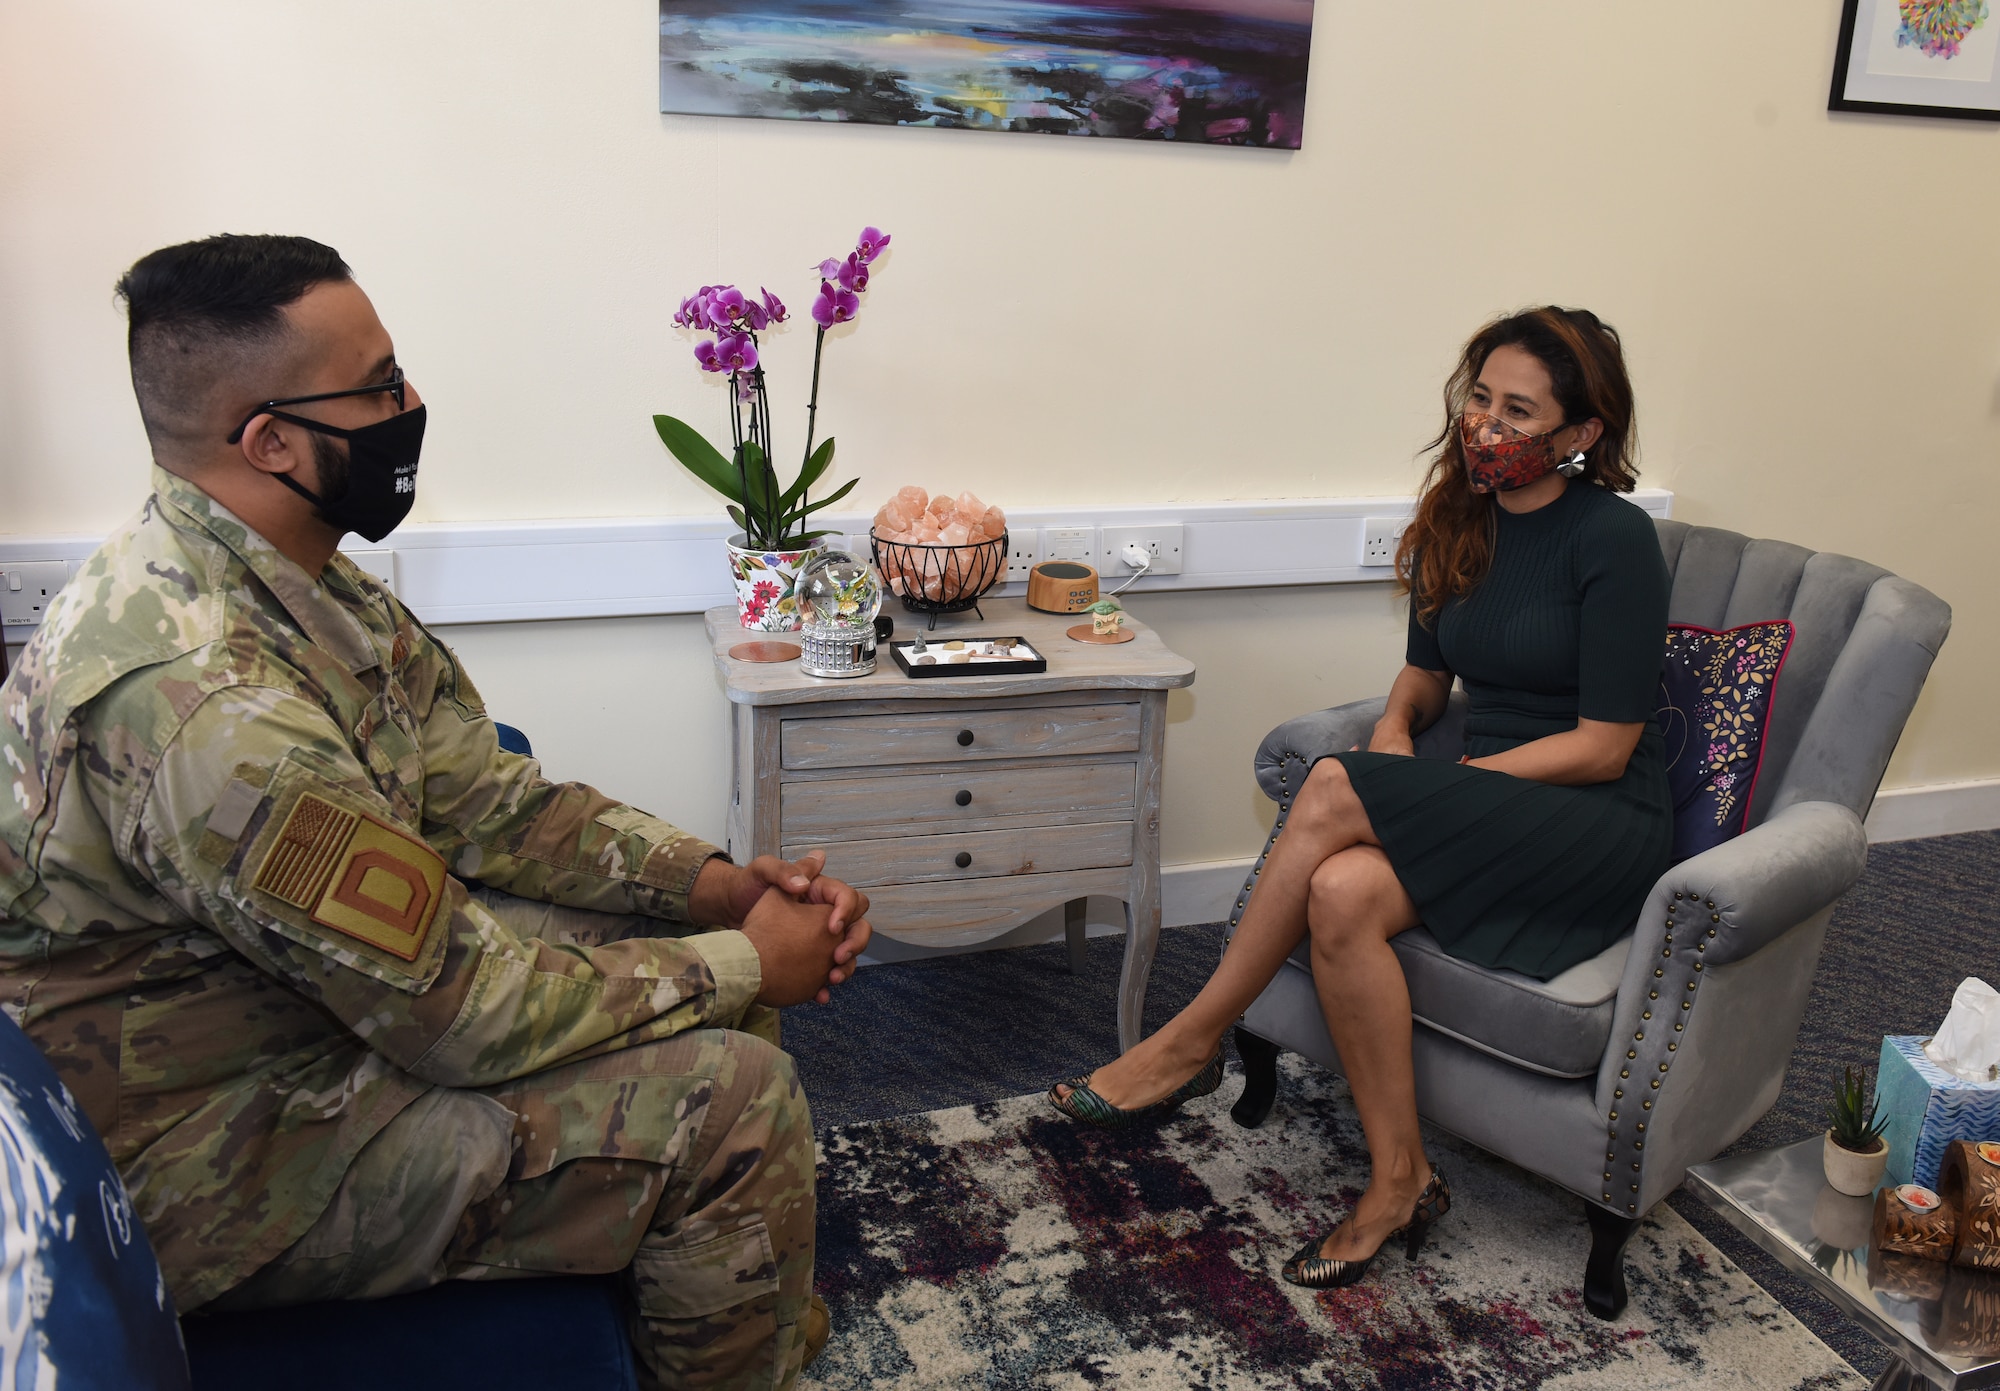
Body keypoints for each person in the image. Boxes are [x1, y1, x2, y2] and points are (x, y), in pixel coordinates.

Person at [0, 233, 871, 1390]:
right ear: (268, 440)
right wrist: (744, 962)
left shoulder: (293, 571)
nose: (410, 405)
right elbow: (461, 1012)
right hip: (198, 1145)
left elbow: (488, 798)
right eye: (377, 385)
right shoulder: (202, 705)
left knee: (702, 976)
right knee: (733, 1099)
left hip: (286, 1011)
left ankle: (718, 1310)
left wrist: (718, 888)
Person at [1051, 306, 1671, 1292]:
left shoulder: (1613, 539)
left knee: (1334, 783)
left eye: (1517, 411)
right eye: (1478, 398)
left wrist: (1436, 783)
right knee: (1340, 891)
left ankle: (1191, 1037)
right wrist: (1393, 735)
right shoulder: (1455, 515)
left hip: (1590, 816)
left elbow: (1606, 745)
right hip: (1485, 797)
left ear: (1579, 434)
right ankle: (1400, 1179)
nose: (1485, 426)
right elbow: (1424, 681)